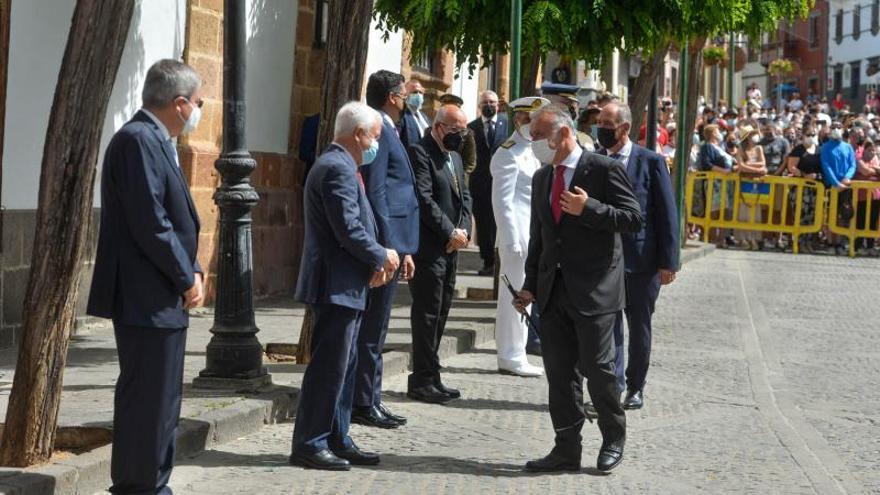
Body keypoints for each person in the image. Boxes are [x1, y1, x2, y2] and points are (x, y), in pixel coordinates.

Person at [87, 59, 205, 494]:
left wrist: (194, 267)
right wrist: (184, 275)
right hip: (145, 294)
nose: (198, 110)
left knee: (161, 402)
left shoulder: (157, 139)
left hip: (159, 294)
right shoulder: (138, 140)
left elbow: (171, 220)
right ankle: (141, 488)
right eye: (197, 102)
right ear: (178, 104)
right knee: (148, 402)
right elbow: (151, 223)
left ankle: (153, 485)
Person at [514, 104, 643, 473]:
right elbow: (540, 238)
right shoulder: (542, 178)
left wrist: (589, 208)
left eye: (540, 136)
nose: (534, 142)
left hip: (596, 290)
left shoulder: (603, 169)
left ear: (564, 134)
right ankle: (566, 448)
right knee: (560, 374)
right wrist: (529, 288)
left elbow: (633, 218)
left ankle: (613, 437)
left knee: (600, 372)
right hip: (554, 292)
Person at [291, 102, 400, 470]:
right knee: (329, 368)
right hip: (334, 285)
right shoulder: (336, 168)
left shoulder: (345, 166)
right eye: (375, 137)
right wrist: (381, 255)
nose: (376, 145)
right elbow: (348, 229)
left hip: (347, 284)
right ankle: (310, 442)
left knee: (345, 366)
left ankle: (337, 436)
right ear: (358, 134)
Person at [597, 102, 679, 410]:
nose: (601, 127)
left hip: (641, 262)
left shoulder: (651, 161)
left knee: (639, 325)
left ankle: (635, 385)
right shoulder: (595, 160)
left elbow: (667, 214)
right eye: (600, 121)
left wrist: (668, 262)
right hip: (604, 261)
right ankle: (613, 383)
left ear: (625, 128)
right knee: (608, 325)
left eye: (607, 122)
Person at [351, 71, 420, 430]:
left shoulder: (390, 130)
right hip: (384, 243)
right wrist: (388, 246)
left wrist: (404, 247)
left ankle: (371, 398)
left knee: (378, 329)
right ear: (393, 97)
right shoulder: (378, 129)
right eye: (406, 94)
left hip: (395, 242)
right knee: (373, 328)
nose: (409, 100)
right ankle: (364, 400)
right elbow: (377, 191)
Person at [407, 104, 473, 404]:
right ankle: (420, 379)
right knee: (427, 314)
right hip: (429, 248)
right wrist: (449, 232)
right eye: (456, 130)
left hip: (451, 248)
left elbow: (465, 198)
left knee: (443, 310)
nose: (460, 136)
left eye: (464, 131)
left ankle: (433, 375)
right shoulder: (420, 152)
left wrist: (463, 231)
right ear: (438, 127)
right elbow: (423, 198)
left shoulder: (455, 157)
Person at [490, 96, 550, 377]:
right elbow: (502, 202)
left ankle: (518, 351)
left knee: (525, 295)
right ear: (517, 119)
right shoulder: (508, 152)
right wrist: (511, 238)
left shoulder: (534, 150)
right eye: (529, 119)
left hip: (532, 235)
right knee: (512, 296)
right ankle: (510, 355)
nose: (533, 125)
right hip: (516, 238)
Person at [468, 90, 508, 275]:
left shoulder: (507, 126)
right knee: (484, 225)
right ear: (479, 105)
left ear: (498, 105)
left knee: (499, 222)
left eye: (492, 102)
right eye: (485, 102)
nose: (489, 105)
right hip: (479, 185)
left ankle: (501, 260)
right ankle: (488, 261)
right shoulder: (471, 127)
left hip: (501, 182)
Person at [821, 122, 857, 254]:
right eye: (833, 127)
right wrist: (836, 183)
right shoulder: (825, 147)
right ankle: (831, 242)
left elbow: (852, 165)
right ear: (830, 130)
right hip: (831, 186)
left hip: (845, 186)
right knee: (831, 215)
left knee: (844, 215)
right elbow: (826, 166)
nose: (836, 129)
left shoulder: (848, 147)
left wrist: (847, 179)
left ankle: (840, 243)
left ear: (843, 130)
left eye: (838, 127)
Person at [736, 126, 768, 251]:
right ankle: (743, 238)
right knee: (743, 210)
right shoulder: (741, 149)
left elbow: (763, 163)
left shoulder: (759, 148)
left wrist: (749, 165)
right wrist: (758, 169)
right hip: (744, 183)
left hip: (757, 183)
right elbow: (741, 166)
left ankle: (754, 238)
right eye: (752, 134)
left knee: (755, 211)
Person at [439, 93, 478, 177]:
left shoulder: (467, 134)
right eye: (444, 108)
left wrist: (459, 176)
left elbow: (470, 162)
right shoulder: (433, 129)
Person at [399, 79, 431, 149]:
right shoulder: (401, 115)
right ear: (405, 94)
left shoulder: (425, 117)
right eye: (415, 92)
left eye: (420, 92)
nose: (418, 95)